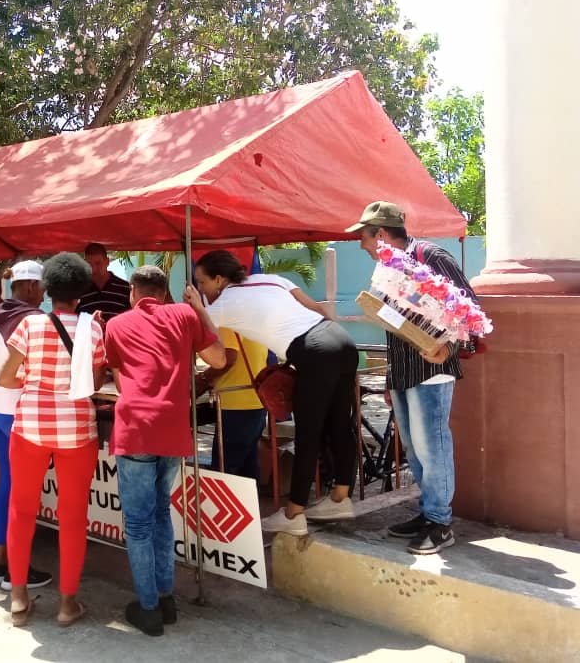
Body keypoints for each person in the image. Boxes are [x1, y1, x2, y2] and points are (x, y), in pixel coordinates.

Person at [185, 250, 358, 536]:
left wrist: (197, 307)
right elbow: (318, 309)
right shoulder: (270, 279)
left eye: (202, 283)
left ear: (218, 279)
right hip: (339, 338)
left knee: (309, 434)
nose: (201, 289)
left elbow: (203, 334)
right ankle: (340, 496)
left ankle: (293, 514)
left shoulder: (223, 306)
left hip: (312, 352)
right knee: (340, 424)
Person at [105, 265, 225, 636]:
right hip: (173, 429)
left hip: (136, 430)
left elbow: (119, 377)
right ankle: (166, 598)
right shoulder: (186, 315)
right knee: (160, 513)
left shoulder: (116, 325)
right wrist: (200, 308)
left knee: (138, 523)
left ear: (132, 292)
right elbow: (218, 359)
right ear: (163, 292)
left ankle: (149, 609)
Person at [348, 201, 473, 554]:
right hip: (403, 372)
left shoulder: (430, 256)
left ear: (382, 234)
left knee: (432, 447)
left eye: (364, 237)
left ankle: (440, 522)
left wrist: (447, 349)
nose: (361, 245)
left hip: (432, 372)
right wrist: (391, 378)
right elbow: (394, 325)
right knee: (415, 451)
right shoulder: (389, 268)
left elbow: (468, 309)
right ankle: (428, 513)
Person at [0, 252, 107, 628]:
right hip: (76, 430)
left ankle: (17, 598)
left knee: (21, 510)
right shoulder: (93, 329)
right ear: (81, 291)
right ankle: (67, 605)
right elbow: (91, 382)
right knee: (73, 517)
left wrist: (31, 382)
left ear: (47, 288)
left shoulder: (29, 325)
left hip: (30, 427)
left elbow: (4, 377)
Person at [0, 260, 53, 590]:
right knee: (19, 492)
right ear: (33, 286)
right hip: (20, 412)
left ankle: (1, 563)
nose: (45, 294)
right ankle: (12, 569)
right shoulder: (35, 319)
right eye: (44, 288)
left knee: (6, 484)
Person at [198, 328, 269, 478]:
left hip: (236, 405)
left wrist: (203, 379)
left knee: (225, 470)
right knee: (247, 467)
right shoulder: (248, 318)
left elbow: (228, 358)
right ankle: (250, 501)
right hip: (255, 401)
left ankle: (225, 501)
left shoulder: (227, 319)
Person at [77, 243, 131, 323]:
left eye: (98, 263)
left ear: (107, 261)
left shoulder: (125, 288)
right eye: (89, 264)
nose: (94, 269)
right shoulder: (79, 291)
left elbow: (131, 319)